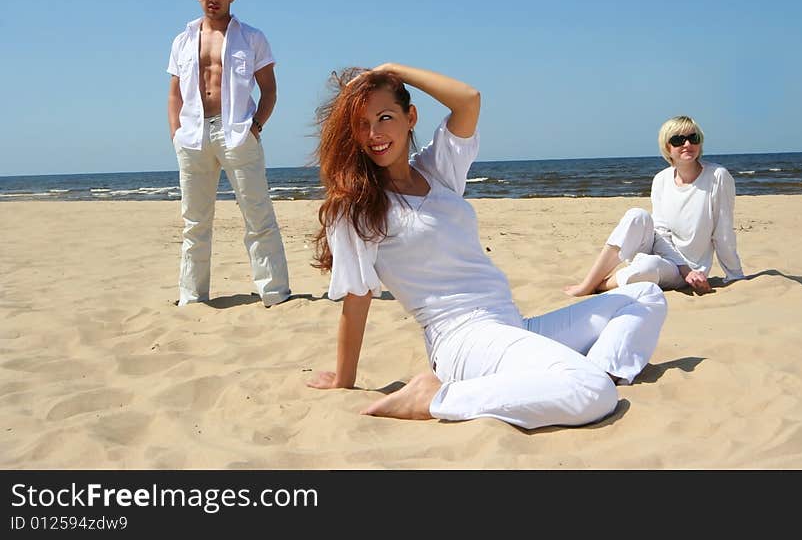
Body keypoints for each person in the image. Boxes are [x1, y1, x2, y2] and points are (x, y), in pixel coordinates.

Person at [306, 63, 667, 429]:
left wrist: (391, 70)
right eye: (362, 124)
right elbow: (357, 297)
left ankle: (603, 369)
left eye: (385, 117)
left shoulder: (437, 170)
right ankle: (434, 397)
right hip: (462, 341)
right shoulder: (358, 206)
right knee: (592, 393)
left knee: (644, 297)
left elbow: (468, 101)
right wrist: (343, 379)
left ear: (410, 116)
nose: (374, 134)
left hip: (511, 324)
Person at [166, 0, 291, 307]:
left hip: (236, 132)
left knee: (258, 216)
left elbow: (269, 91)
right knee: (195, 222)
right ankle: (192, 297)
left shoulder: (251, 37)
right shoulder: (182, 40)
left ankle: (275, 293)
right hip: (193, 136)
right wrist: (176, 132)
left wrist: (255, 127)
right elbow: (174, 93)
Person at [564, 115, 745, 298]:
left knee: (649, 267)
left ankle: (600, 286)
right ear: (667, 147)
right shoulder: (661, 179)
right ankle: (588, 283)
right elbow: (660, 231)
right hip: (661, 251)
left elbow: (723, 232)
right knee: (637, 215)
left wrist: (734, 275)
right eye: (678, 140)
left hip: (690, 271)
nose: (687, 144)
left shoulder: (717, 177)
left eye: (693, 138)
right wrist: (681, 267)